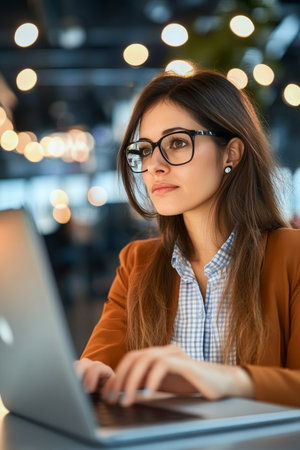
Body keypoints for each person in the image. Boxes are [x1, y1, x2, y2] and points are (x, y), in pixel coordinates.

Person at [75, 69, 300, 408]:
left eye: (177, 142)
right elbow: (100, 363)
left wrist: (223, 379)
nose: (155, 165)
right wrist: (96, 376)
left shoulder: (292, 256)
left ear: (232, 154)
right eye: (146, 150)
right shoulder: (137, 264)